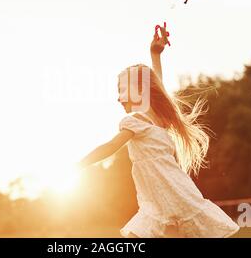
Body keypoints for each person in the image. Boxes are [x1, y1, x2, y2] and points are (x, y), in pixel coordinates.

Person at [77, 23, 240, 238]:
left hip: (169, 193)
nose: (118, 97)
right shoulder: (157, 118)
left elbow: (111, 146)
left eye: (122, 90)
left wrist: (79, 164)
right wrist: (155, 54)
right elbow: (157, 83)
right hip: (164, 195)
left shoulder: (137, 121)